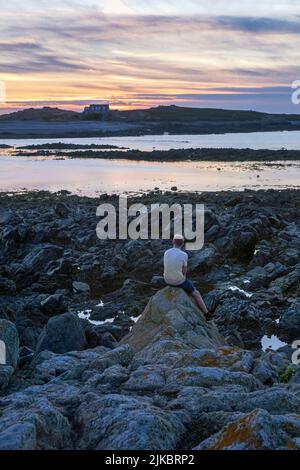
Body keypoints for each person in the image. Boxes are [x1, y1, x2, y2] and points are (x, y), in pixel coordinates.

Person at [163, 234, 210, 319]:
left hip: (166, 279)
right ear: (182, 244)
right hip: (178, 281)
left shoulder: (166, 252)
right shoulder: (184, 255)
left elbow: (166, 266)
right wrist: (183, 277)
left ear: (173, 241)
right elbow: (184, 271)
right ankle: (207, 314)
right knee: (196, 294)